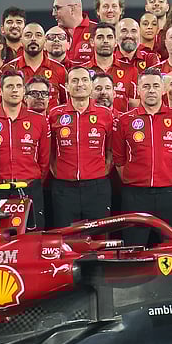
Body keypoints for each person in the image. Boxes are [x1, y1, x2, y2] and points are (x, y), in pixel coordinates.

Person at [113, 69, 172, 246]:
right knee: (133, 248)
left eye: (156, 86)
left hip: (171, 194)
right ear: (138, 90)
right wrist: (133, 178)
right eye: (146, 86)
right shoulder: (126, 120)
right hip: (135, 195)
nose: (151, 90)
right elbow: (118, 158)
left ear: (163, 89)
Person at [0, 70, 50, 229]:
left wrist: (30, 180)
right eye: (9, 86)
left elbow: (44, 161)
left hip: (30, 190)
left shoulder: (39, 121)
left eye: (18, 86)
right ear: (0, 91)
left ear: (24, 91)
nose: (14, 90)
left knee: (32, 241)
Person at [47, 66, 113, 226]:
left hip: (97, 187)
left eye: (84, 80)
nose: (80, 84)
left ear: (91, 86)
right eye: (74, 80)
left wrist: (100, 171)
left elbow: (112, 150)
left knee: (100, 239)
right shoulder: (55, 114)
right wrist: (58, 171)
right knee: (67, 240)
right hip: (64, 188)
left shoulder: (105, 115)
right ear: (67, 87)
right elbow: (48, 151)